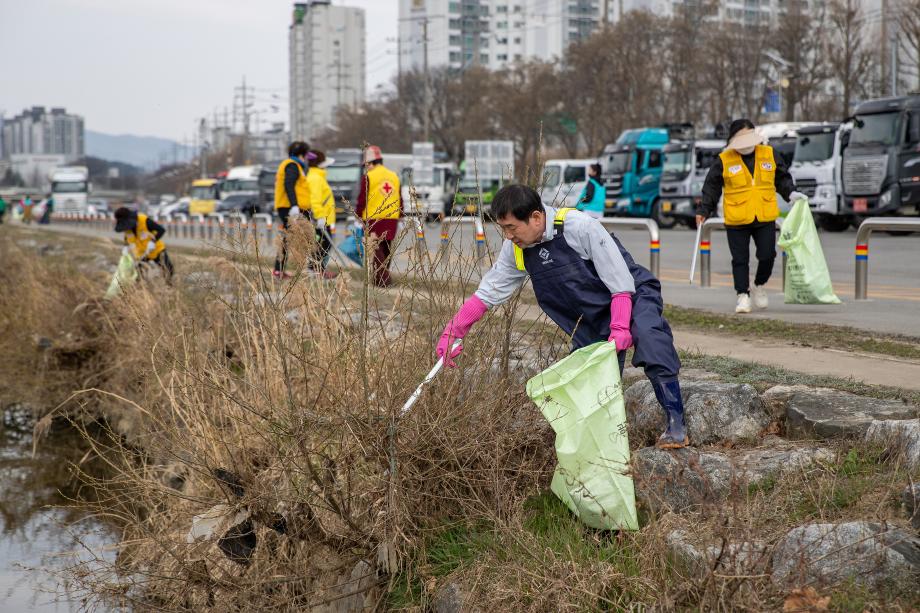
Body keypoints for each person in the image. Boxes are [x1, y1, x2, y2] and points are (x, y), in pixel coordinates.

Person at [435, 184, 688, 449]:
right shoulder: (517, 248)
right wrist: (455, 329)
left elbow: (619, 279)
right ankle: (606, 447)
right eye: (503, 229)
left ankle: (676, 423)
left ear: (535, 217)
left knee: (650, 339)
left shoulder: (579, 227)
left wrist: (621, 326)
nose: (508, 236)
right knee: (589, 381)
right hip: (588, 315)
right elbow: (489, 291)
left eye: (511, 227)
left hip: (630, 295)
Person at [695, 119, 806, 313]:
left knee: (767, 255)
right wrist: (704, 210)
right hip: (737, 217)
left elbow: (782, 178)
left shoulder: (769, 153)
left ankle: (759, 284)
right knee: (740, 259)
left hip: (764, 215)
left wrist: (792, 194)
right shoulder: (724, 159)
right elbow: (711, 187)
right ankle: (743, 295)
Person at [355, 145, 401, 288]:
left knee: (375, 249)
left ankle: (384, 279)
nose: (365, 167)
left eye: (366, 164)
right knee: (386, 248)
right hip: (392, 217)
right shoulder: (394, 175)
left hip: (374, 217)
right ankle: (380, 278)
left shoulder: (368, 176)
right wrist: (401, 214)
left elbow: (362, 198)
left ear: (370, 163)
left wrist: (357, 215)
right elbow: (400, 197)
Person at [273, 141, 314, 279]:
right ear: (302, 154)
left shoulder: (293, 165)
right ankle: (282, 269)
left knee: (289, 238)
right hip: (290, 207)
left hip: (290, 207)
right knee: (293, 238)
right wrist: (294, 206)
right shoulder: (292, 165)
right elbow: (289, 184)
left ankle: (280, 269)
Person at [114, 206, 174, 284]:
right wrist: (125, 246)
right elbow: (127, 237)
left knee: (168, 269)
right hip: (141, 254)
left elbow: (161, 230)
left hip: (156, 250)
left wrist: (153, 241)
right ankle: (140, 291)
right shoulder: (125, 228)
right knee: (138, 274)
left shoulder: (144, 220)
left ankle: (168, 286)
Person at [305, 150, 338, 279]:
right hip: (321, 218)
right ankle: (316, 270)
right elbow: (315, 200)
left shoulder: (317, 177)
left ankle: (315, 269)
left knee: (323, 245)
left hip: (325, 218)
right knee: (323, 244)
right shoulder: (315, 178)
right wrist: (319, 216)